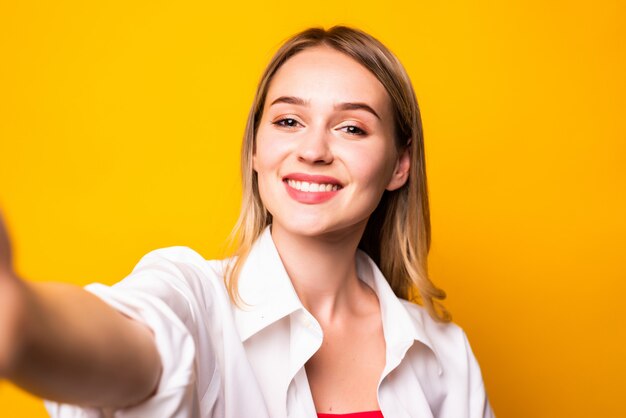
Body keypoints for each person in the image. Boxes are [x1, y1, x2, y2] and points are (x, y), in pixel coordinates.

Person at [0, 26, 495, 418]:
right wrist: (20, 320)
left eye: (351, 127)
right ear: (256, 149)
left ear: (399, 165)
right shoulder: (196, 296)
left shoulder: (444, 355)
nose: (313, 150)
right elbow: (139, 344)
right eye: (287, 121)